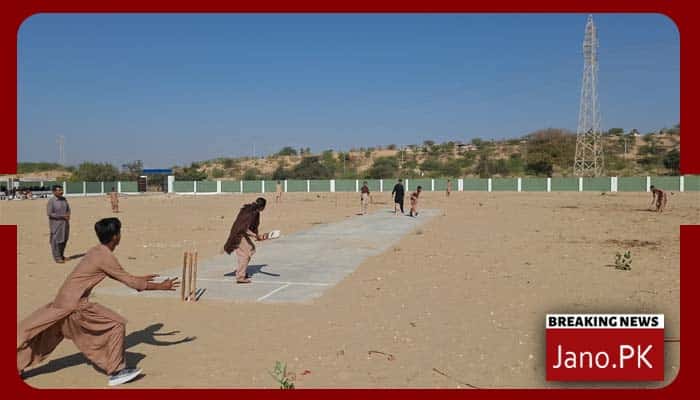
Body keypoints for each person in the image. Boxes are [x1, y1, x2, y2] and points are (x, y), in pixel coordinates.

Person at [17, 217, 180, 386]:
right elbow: (132, 283)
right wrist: (161, 286)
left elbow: (123, 277)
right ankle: (117, 372)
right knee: (117, 324)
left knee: (47, 339)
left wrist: (139, 279)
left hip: (61, 302)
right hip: (75, 305)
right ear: (115, 236)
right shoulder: (105, 257)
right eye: (119, 232)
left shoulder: (95, 251)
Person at [223, 197, 268, 284]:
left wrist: (256, 236)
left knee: (249, 250)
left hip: (240, 233)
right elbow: (243, 228)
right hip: (238, 235)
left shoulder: (252, 210)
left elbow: (252, 227)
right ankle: (240, 276)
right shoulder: (251, 212)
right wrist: (256, 236)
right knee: (246, 254)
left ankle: (241, 272)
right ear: (262, 207)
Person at [47, 185, 71, 263]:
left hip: (65, 223)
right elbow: (49, 213)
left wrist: (68, 215)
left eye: (61, 190)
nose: (61, 192)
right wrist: (62, 216)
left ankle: (61, 255)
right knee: (56, 241)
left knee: (64, 240)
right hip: (56, 224)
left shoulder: (64, 199)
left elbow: (68, 209)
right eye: (59, 190)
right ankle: (57, 258)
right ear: (54, 192)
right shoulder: (51, 201)